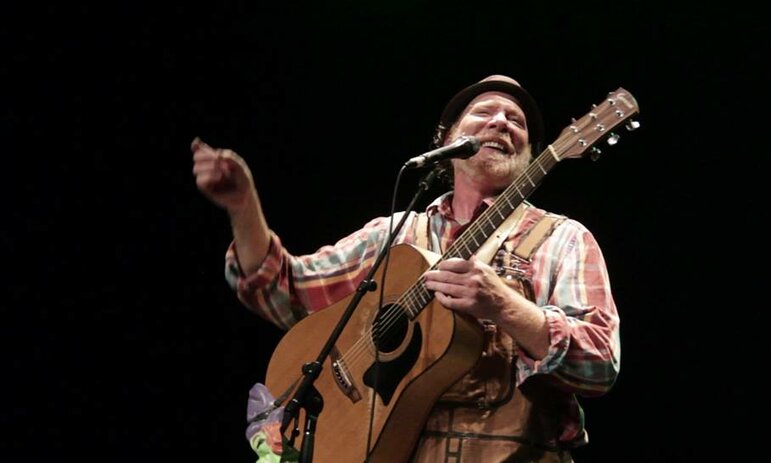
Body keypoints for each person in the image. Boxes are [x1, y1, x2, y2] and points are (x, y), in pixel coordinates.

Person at [192, 74, 621, 462]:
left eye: (517, 121)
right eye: (484, 113)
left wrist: (505, 306)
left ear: (530, 155)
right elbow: (286, 292)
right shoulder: (393, 234)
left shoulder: (564, 238)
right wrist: (243, 206)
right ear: (447, 139)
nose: (501, 122)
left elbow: (600, 362)